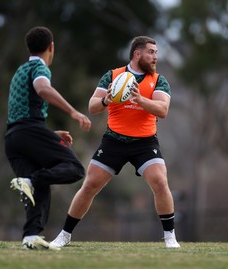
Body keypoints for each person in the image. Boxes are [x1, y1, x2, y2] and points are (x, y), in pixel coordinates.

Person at [51, 36, 180, 248]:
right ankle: (64, 235)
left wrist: (140, 100)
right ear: (137, 54)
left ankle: (170, 237)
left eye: (156, 52)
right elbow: (92, 106)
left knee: (159, 181)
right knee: (90, 185)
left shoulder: (158, 80)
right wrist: (105, 100)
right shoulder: (113, 76)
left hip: (145, 142)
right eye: (151, 52)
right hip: (114, 141)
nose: (155, 56)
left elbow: (162, 110)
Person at [4, 26, 91, 250]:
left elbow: (19, 113)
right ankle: (31, 181)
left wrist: (49, 135)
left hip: (14, 138)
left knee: (39, 186)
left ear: (28, 47)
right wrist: (73, 112)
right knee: (74, 169)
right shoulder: (38, 68)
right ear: (51, 47)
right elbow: (42, 89)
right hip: (29, 130)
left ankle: (31, 236)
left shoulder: (19, 71)